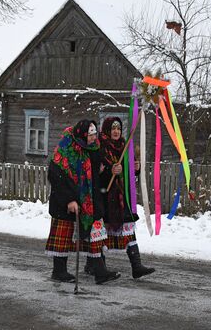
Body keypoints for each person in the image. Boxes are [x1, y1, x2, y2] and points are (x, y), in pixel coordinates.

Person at [45, 119, 120, 285]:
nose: (94, 138)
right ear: (83, 135)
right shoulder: (66, 148)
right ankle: (59, 271)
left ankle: (100, 271)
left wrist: (110, 169)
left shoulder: (94, 148)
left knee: (95, 234)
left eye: (95, 135)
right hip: (66, 202)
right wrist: (69, 199)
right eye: (91, 136)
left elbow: (99, 171)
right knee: (64, 236)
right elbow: (55, 177)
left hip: (90, 200)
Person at [97, 116, 155, 279]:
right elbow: (95, 172)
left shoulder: (125, 146)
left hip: (121, 197)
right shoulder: (100, 147)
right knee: (101, 233)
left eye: (118, 128)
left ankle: (136, 266)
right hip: (105, 195)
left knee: (129, 227)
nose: (116, 131)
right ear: (107, 130)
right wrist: (109, 172)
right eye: (112, 128)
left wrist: (135, 168)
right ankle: (96, 266)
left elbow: (128, 173)